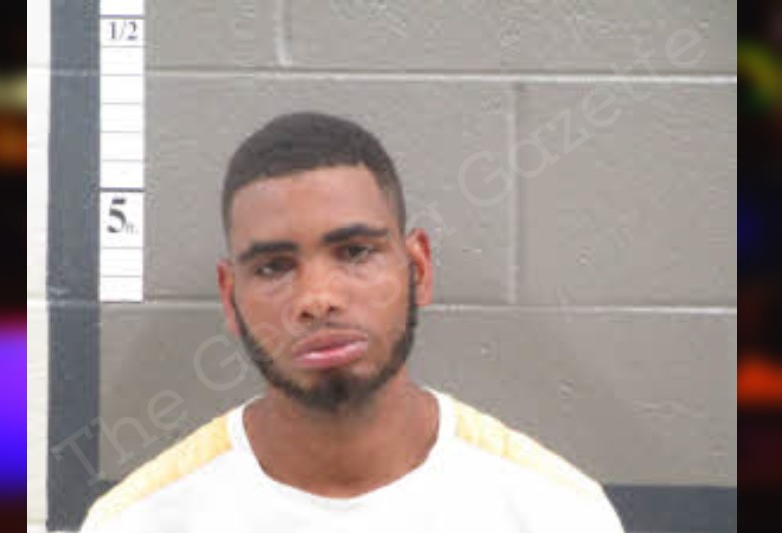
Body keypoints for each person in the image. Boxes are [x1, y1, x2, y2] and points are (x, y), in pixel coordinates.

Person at [81, 112, 625, 532]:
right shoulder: (139, 521)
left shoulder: (555, 513)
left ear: (418, 270)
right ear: (230, 298)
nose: (317, 299)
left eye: (355, 252)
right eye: (273, 267)